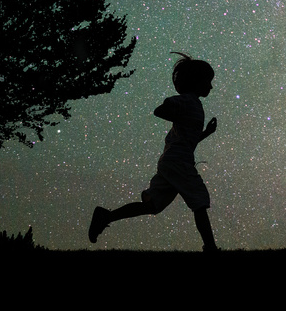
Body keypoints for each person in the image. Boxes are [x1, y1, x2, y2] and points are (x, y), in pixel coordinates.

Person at [88, 52, 219, 252]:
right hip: (178, 163)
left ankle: (106, 216)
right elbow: (161, 110)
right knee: (199, 200)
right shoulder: (187, 101)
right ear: (196, 82)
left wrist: (206, 133)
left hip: (172, 162)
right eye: (208, 81)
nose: (211, 86)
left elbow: (188, 140)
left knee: (152, 207)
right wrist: (175, 114)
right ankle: (210, 248)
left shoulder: (194, 105)